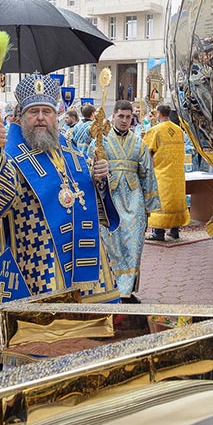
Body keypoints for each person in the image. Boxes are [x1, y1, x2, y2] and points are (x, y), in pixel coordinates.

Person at [0, 73, 120, 303]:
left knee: (92, 317)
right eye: (33, 112)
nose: (41, 118)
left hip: (81, 245)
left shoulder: (69, 147)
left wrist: (100, 177)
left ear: (56, 116)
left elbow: (90, 191)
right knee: (45, 318)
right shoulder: (9, 153)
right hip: (37, 253)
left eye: (47, 112)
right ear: (21, 116)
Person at [87, 100, 160, 302]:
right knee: (111, 247)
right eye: (121, 116)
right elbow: (87, 170)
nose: (125, 120)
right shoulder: (99, 142)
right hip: (109, 202)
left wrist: (149, 207)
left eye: (128, 117)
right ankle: (112, 289)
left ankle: (127, 292)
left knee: (133, 247)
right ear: (113, 117)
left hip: (134, 203)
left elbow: (147, 174)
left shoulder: (139, 143)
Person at [143, 104, 190, 241]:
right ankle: (175, 230)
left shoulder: (155, 130)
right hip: (177, 174)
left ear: (159, 114)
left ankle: (158, 232)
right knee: (175, 200)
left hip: (161, 172)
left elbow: (145, 151)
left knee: (161, 201)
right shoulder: (179, 130)